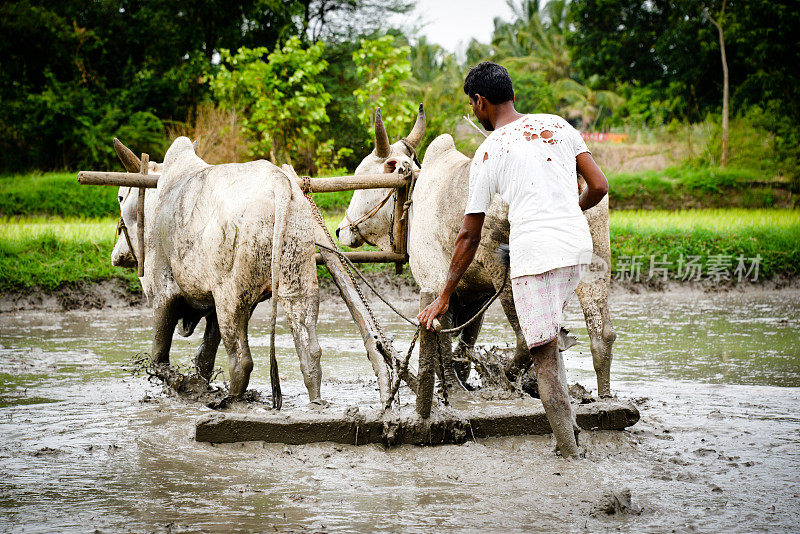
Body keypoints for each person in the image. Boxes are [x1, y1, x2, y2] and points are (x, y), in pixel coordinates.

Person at [416, 61, 609, 457]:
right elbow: (600, 186)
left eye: (472, 105)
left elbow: (469, 235)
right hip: (576, 249)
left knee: (541, 359)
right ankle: (571, 428)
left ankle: (568, 452)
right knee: (549, 339)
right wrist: (569, 213)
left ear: (480, 102)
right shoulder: (557, 125)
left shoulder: (489, 152)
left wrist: (443, 295)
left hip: (534, 257)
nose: (474, 111)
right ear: (513, 95)